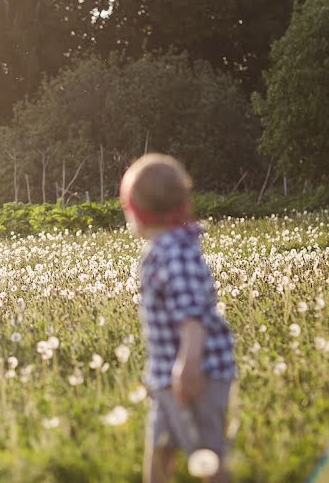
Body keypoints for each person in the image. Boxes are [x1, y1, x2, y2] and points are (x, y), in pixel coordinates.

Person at [120, 154, 236, 483]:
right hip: (169, 378)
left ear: (136, 212)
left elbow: (193, 319)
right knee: (159, 452)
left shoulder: (174, 253)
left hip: (196, 375)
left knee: (206, 457)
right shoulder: (164, 250)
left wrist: (188, 366)